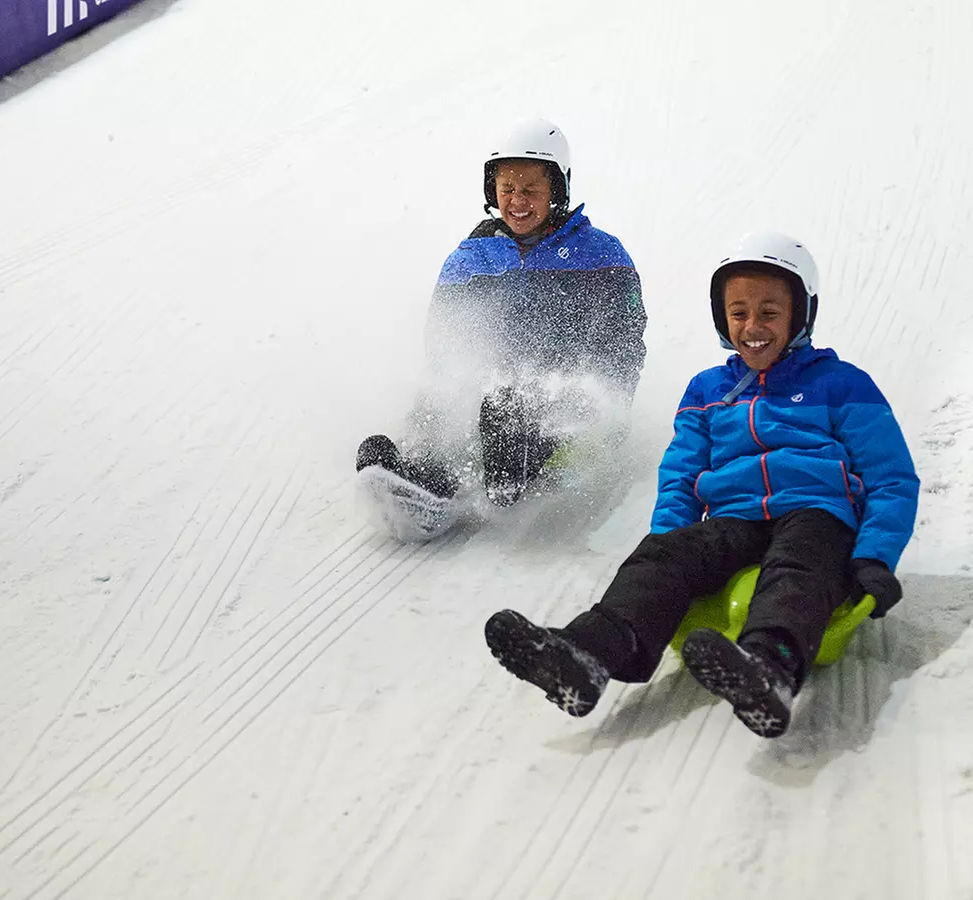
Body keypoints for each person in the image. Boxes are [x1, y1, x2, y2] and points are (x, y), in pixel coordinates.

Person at [483, 232, 919, 738]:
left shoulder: (842, 384)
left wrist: (874, 558)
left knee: (799, 564)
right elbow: (682, 475)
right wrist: (669, 541)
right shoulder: (708, 390)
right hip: (735, 518)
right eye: (739, 313)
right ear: (722, 318)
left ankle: (768, 670)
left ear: (801, 314)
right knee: (660, 559)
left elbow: (891, 478)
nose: (753, 327)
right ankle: (589, 656)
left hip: (816, 512)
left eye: (770, 313)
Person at [357, 118, 647, 509]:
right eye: (507, 188)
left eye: (530, 189)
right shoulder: (471, 258)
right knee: (444, 410)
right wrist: (433, 414)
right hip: (489, 407)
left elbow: (624, 342)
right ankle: (422, 477)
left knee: (504, 404)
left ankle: (495, 478)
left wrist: (604, 413)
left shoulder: (600, 256)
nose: (517, 200)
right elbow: (443, 349)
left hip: (568, 420)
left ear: (556, 191)